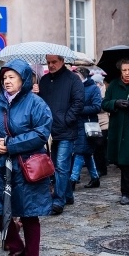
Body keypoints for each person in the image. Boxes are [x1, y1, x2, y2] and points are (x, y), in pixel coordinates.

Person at [0, 59, 53, 256]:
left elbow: (41, 133)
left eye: (12, 77)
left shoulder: (36, 103)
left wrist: (10, 144)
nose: (7, 81)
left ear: (23, 79)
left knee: (28, 213)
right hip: (1, 165)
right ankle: (16, 248)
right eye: (4, 77)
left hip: (26, 165)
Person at [37, 54, 84, 215]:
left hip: (66, 130)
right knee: (54, 166)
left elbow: (79, 102)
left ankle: (59, 200)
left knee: (62, 166)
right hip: (49, 130)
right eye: (48, 62)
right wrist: (36, 94)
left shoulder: (73, 79)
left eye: (54, 62)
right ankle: (67, 195)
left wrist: (66, 120)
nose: (51, 65)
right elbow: (41, 104)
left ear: (62, 61)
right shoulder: (44, 80)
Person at [101, 58, 129, 205]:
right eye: (124, 70)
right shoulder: (114, 84)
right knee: (119, 161)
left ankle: (125, 192)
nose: (127, 73)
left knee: (128, 161)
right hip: (117, 128)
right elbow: (104, 103)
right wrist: (116, 103)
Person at [70, 67, 102, 189]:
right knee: (86, 152)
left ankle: (72, 180)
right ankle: (95, 178)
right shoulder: (73, 88)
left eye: (77, 75)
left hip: (87, 125)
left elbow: (97, 107)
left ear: (83, 76)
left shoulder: (93, 88)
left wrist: (78, 110)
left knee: (79, 151)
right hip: (75, 124)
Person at [91, 74, 109, 176]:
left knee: (100, 144)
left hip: (105, 121)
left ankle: (102, 167)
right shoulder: (94, 91)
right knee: (97, 146)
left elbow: (105, 106)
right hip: (95, 122)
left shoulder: (105, 91)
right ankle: (100, 167)